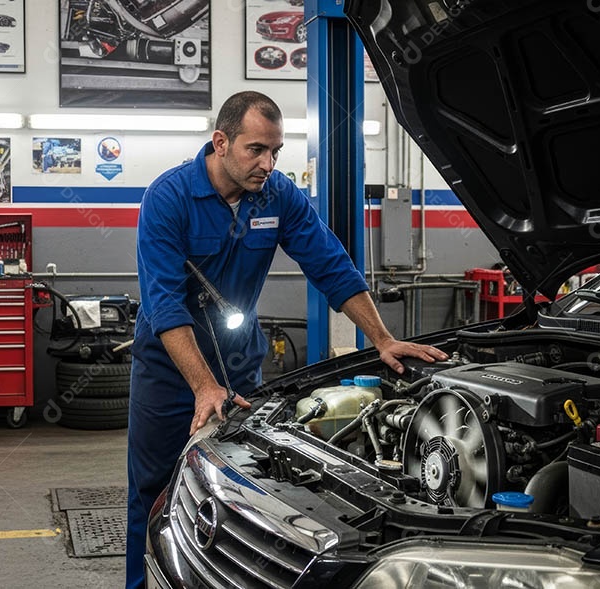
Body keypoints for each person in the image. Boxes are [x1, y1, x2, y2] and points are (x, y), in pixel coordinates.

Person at [125, 91, 447, 587]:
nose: (268, 164)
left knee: (240, 488)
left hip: (240, 360)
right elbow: (165, 303)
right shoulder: (169, 198)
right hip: (170, 367)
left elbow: (330, 263)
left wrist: (382, 338)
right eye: (256, 149)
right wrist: (203, 387)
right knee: (153, 491)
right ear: (221, 142)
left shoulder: (278, 195)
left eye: (276, 151)